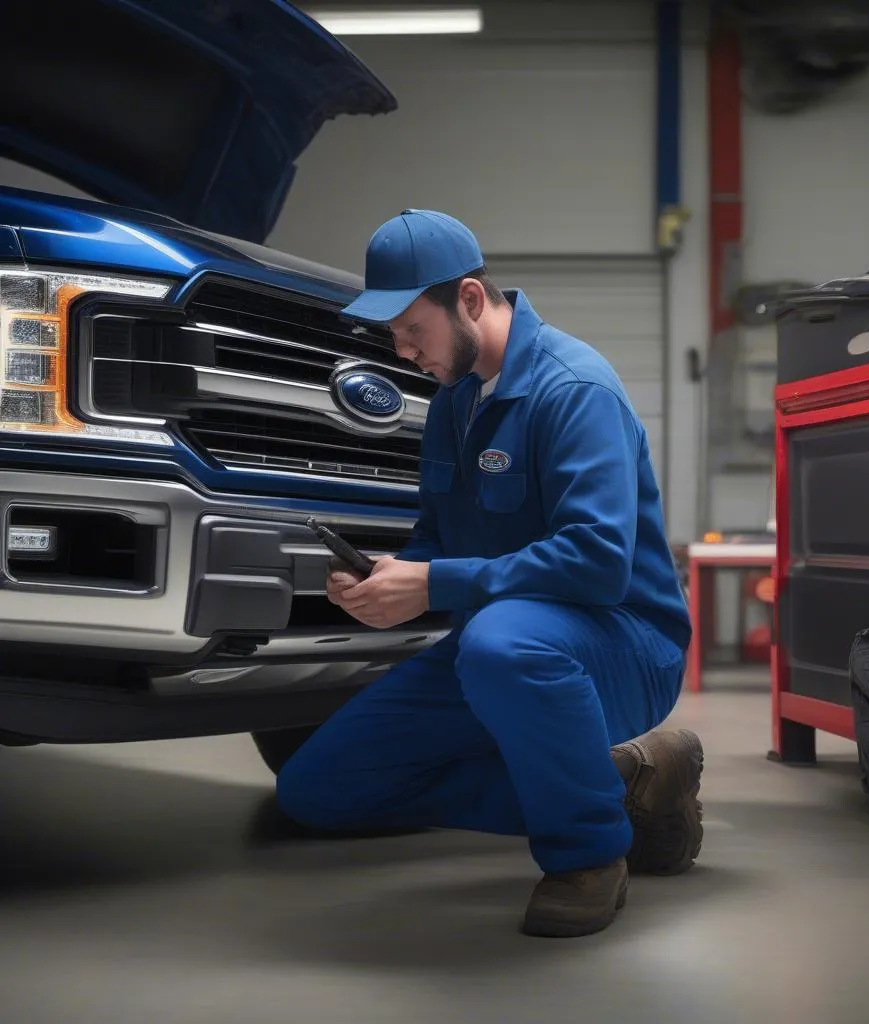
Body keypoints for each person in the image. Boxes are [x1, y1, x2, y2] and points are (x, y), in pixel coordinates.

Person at [276, 209, 703, 938]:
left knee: (504, 642)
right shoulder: (452, 404)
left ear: (469, 299)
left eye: (413, 329)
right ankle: (624, 784)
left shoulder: (574, 389)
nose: (404, 351)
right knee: (319, 790)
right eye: (395, 336)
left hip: (621, 643)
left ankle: (589, 855)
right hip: (499, 651)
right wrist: (390, 578)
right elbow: (437, 537)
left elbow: (599, 563)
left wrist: (434, 585)